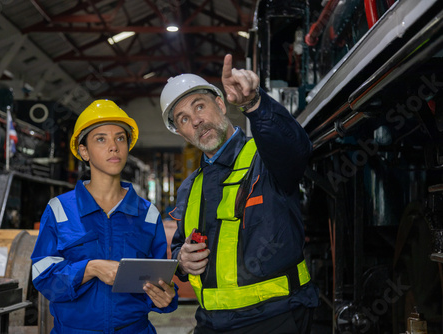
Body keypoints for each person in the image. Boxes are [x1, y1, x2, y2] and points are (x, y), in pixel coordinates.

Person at [160, 54, 319, 333]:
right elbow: (180, 246)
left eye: (199, 107)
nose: (195, 121)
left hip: (275, 318)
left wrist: (254, 104)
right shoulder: (190, 188)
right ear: (182, 133)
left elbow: (296, 149)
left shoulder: (265, 158)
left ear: (220, 104)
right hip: (210, 323)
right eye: (183, 118)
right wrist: (181, 261)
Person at [31, 100, 178, 334]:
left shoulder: (147, 214)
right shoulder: (60, 210)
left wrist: (166, 296)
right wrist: (90, 268)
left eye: (120, 138)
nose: (113, 147)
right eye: (101, 139)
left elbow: (158, 279)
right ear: (84, 151)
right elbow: (43, 277)